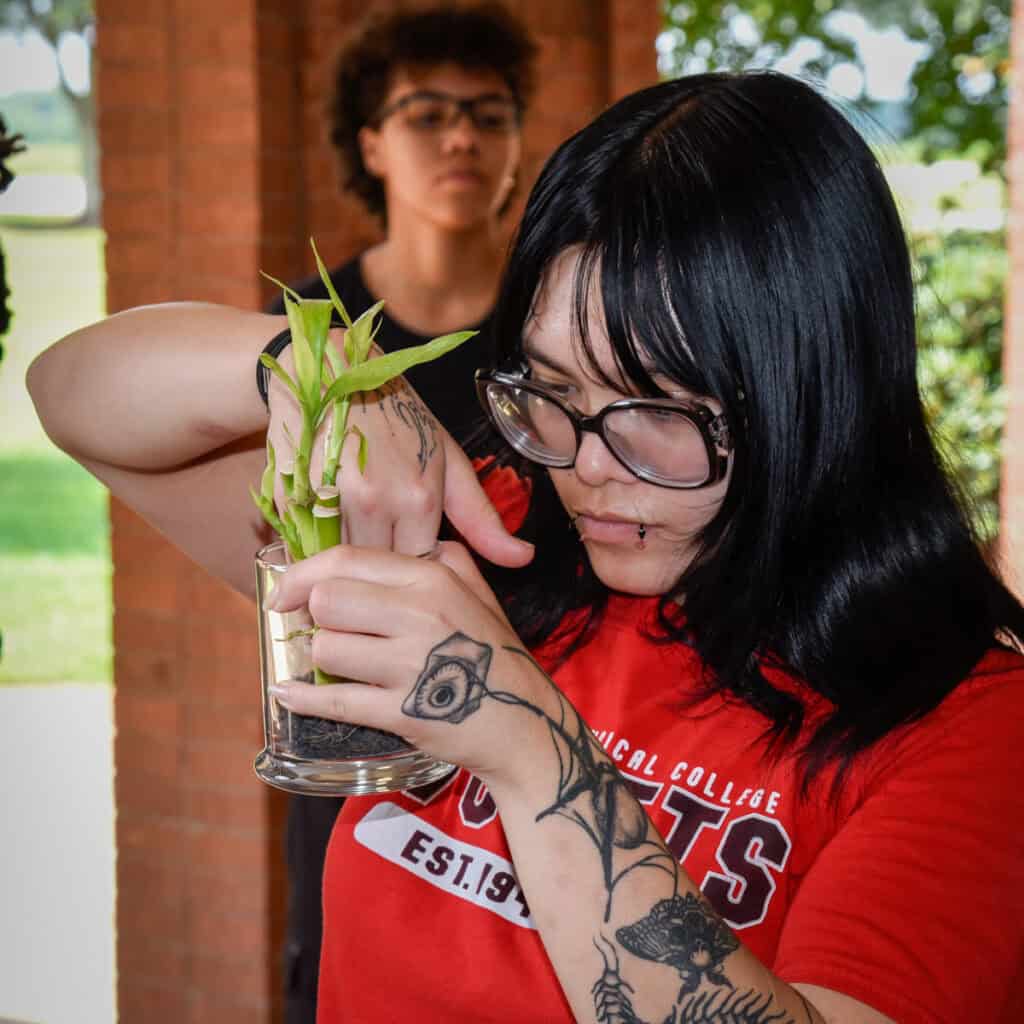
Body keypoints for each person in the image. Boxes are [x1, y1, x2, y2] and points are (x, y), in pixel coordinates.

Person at [28, 70, 1024, 1023]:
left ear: (818, 392)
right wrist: (304, 362)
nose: (588, 465)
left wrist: (532, 751)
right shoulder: (496, 535)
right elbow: (76, 398)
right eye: (548, 390)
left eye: (655, 408)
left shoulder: (967, 728)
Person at [267, 5, 536, 1019]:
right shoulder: (300, 333)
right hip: (354, 755)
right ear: (370, 141)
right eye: (426, 113)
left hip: (525, 761)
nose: (462, 137)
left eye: (487, 112)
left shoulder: (557, 335)